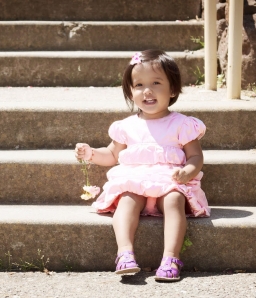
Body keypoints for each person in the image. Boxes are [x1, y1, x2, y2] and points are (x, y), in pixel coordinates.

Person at [75, 49, 210, 282]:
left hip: (169, 180)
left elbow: (195, 157)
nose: (147, 91)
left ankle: (171, 258)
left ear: (173, 89)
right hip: (135, 179)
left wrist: (188, 171)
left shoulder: (182, 124)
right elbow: (112, 155)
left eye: (156, 83)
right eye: (138, 85)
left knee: (174, 199)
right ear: (130, 90)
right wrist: (92, 153)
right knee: (126, 199)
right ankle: (125, 253)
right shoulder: (126, 126)